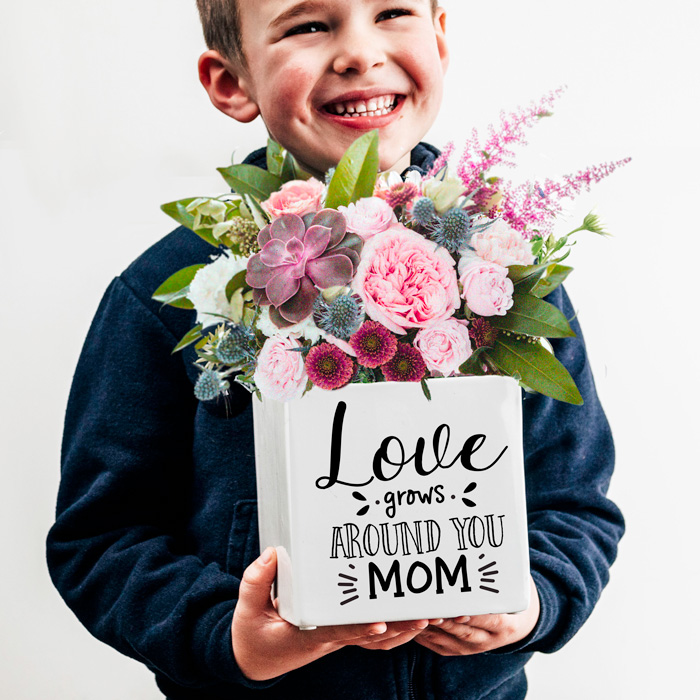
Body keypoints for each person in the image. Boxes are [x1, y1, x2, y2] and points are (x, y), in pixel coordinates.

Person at [46, 1, 625, 698]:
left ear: (440, 40)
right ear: (231, 81)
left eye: (392, 11)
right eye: (308, 25)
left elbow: (574, 500)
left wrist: (532, 602)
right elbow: (99, 539)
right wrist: (227, 636)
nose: (359, 53)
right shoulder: (171, 294)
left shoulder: (506, 276)